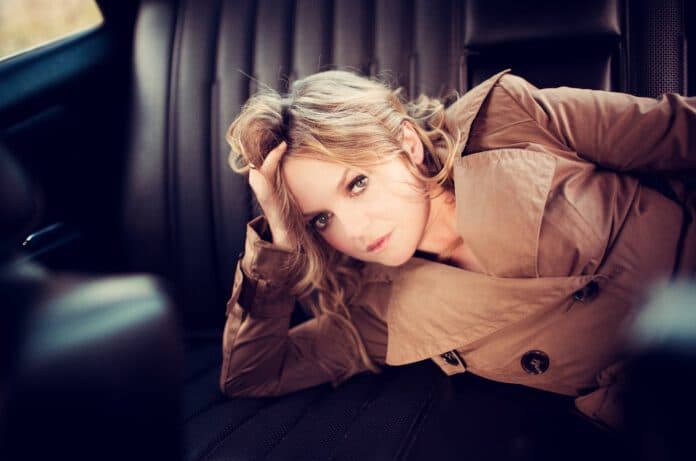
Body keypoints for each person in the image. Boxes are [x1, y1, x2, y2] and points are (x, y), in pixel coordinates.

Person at [219, 68, 696, 430]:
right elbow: (252, 376)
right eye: (320, 219)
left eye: (357, 183)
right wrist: (280, 241)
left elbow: (680, 131)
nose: (356, 229)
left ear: (408, 145)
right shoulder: (375, 310)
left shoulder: (505, 118)